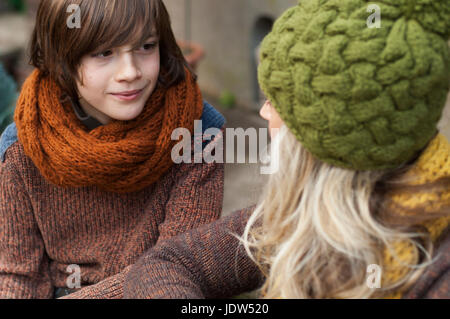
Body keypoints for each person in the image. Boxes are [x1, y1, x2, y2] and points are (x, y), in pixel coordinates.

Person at [123, 0, 450, 299]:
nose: (264, 113)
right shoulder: (309, 210)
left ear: (331, 136)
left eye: (275, 102)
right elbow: (170, 262)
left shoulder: (436, 273)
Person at [0, 0, 225, 299]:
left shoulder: (197, 133)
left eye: (146, 46)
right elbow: (19, 275)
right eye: (104, 53)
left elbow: (179, 267)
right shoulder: (25, 146)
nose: (130, 72)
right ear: (61, 60)